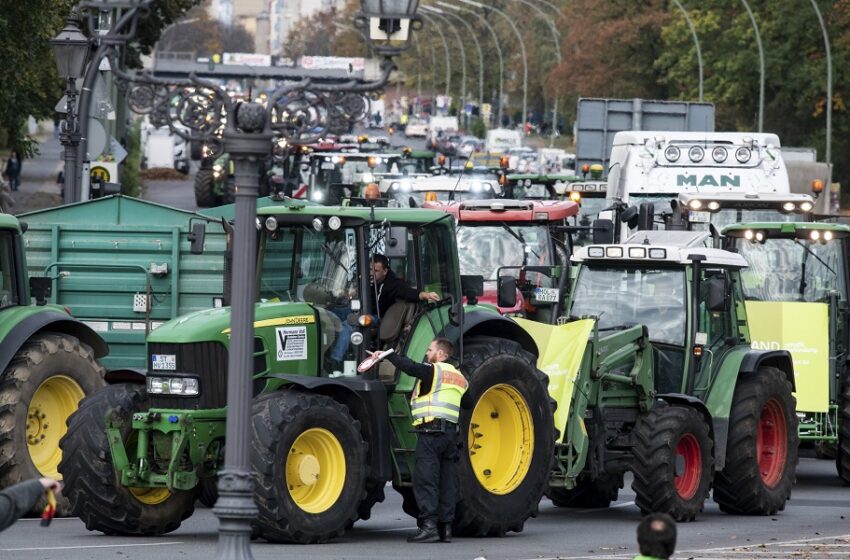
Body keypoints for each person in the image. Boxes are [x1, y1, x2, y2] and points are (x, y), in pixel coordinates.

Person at [368, 337, 470, 543]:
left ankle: (429, 527)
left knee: (426, 481)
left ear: (441, 354)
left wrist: (387, 355)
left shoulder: (435, 371)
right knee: (447, 482)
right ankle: (445, 528)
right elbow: (469, 402)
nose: (427, 353)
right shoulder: (460, 378)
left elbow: (411, 367)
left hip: (431, 434)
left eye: (430, 349)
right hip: (450, 436)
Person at [370, 254, 440, 321]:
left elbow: (408, 292)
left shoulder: (393, 284)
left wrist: (425, 295)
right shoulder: (366, 283)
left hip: (382, 320)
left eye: (376, 271)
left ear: (385, 271)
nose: (371, 273)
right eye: (370, 269)